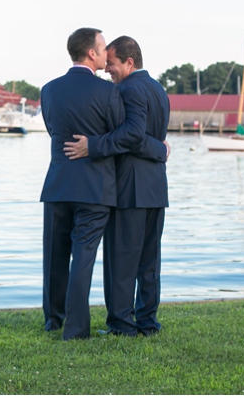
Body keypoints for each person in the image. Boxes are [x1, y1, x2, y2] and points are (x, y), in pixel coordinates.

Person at [63, 35, 171, 337]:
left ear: (129, 62)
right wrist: (161, 150)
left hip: (130, 187)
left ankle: (122, 324)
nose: (107, 69)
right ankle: (148, 322)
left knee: (122, 259)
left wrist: (93, 146)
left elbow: (133, 135)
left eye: (111, 64)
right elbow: (149, 136)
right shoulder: (157, 88)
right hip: (155, 188)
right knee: (149, 261)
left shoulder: (128, 88)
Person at [39, 27, 126, 340]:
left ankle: (53, 320)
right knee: (83, 257)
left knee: (55, 255)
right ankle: (75, 330)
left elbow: (52, 130)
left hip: (58, 182)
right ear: (92, 53)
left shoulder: (49, 90)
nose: (105, 54)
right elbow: (119, 135)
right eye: (103, 48)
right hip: (94, 186)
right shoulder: (108, 93)